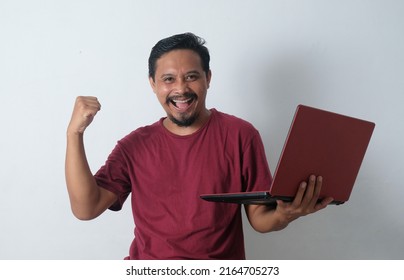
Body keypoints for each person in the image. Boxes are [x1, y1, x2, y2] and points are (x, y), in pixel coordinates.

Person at [65, 32, 333, 259]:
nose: (181, 89)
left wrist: (285, 214)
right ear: (153, 84)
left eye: (191, 76)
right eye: (168, 79)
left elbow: (260, 218)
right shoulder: (133, 146)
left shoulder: (241, 135)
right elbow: (86, 209)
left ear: (208, 78)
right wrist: (74, 134)